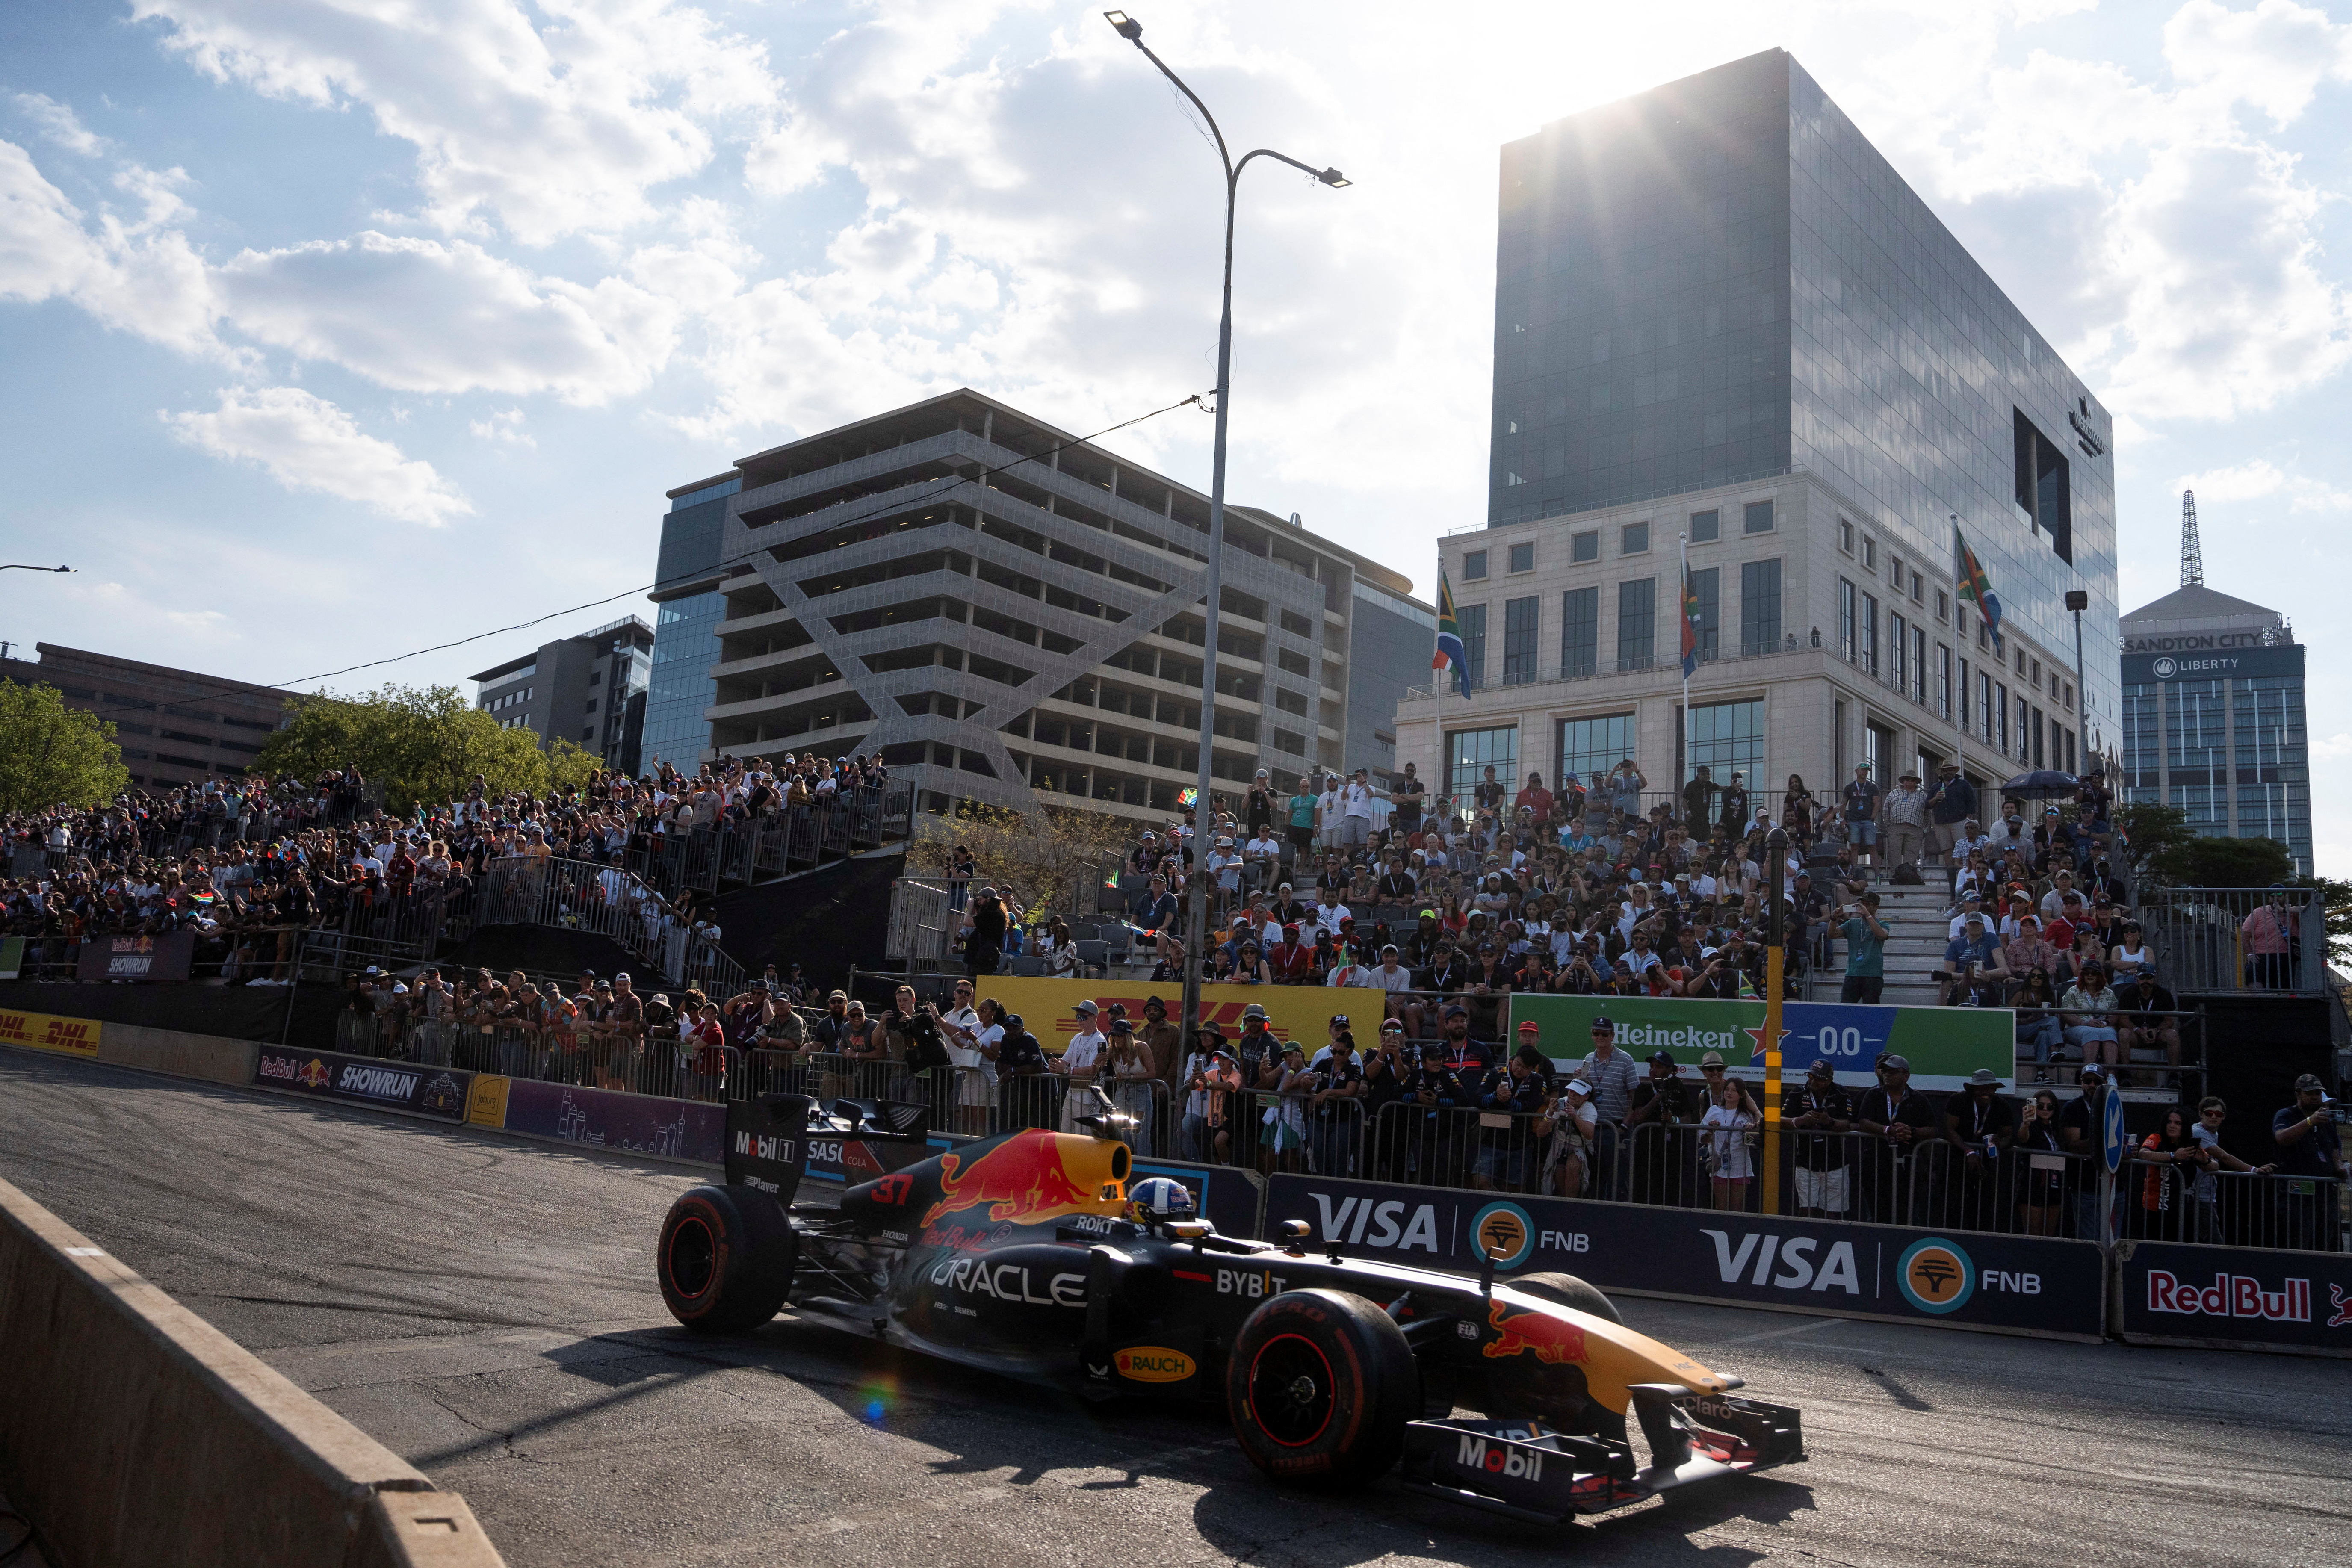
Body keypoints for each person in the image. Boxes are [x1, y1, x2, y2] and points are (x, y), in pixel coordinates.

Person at [1855, 1054, 1935, 1225]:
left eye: (1892, 1072)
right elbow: (1863, 1122)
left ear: (1906, 1076)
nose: (1887, 1075)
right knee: (1877, 1215)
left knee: (1909, 1216)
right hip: (1877, 1165)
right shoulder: (1873, 1095)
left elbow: (1933, 1129)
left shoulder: (1919, 1099)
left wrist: (1912, 1132)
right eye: (1885, 1071)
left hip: (1909, 1167)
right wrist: (1887, 1130)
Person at [2185, 1097, 2274, 1243]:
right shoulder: (2198, 1132)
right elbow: (2224, 1157)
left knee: (2203, 1241)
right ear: (2201, 1114)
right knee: (2214, 1243)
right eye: (2209, 1113)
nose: (2214, 1117)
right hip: (2197, 1198)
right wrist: (2253, 1170)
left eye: (2218, 1114)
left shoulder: (2213, 1134)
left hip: (2206, 1197)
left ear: (2224, 1117)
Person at [2272, 1073, 2345, 1249]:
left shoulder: (2326, 1120)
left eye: (2318, 1094)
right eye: (2310, 1093)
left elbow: (2335, 1150)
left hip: (2326, 1194)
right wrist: (2310, 1122)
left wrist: (2342, 1169)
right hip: (2297, 1193)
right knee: (2299, 1243)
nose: (2315, 1098)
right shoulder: (2287, 1115)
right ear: (2299, 1095)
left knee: (2327, 1245)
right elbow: (2281, 1138)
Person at [1942, 1068, 2015, 1230]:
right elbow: (1949, 1130)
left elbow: (2009, 1136)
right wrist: (1969, 1151)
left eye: (1990, 1087)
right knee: (1953, 1206)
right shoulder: (1958, 1100)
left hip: (1986, 1166)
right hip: (1956, 1161)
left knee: (1983, 1208)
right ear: (1973, 1088)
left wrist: (1999, 1144)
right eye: (1981, 1087)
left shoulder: (2002, 1106)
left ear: (1995, 1089)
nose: (1986, 1092)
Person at [1575, 1015, 1640, 1199]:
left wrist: (1624, 1127)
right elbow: (1583, 1093)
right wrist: (1579, 1080)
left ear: (1612, 1036)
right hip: (1591, 1127)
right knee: (1592, 1175)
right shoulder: (1588, 1058)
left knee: (1617, 1178)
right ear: (1592, 1036)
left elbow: (1634, 1098)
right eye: (1597, 1034)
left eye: (1605, 1034)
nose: (1600, 1038)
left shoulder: (1626, 1060)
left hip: (1615, 1127)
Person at [1626, 1050, 1698, 1206]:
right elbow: (1637, 1117)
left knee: (1671, 1190)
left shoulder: (1679, 1088)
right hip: (1647, 1151)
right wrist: (1658, 1096)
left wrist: (1674, 1119)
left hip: (1673, 1152)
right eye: (1652, 1066)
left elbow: (1689, 1118)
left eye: (1658, 1067)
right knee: (1645, 1190)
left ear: (1670, 1070)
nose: (1653, 1070)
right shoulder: (1643, 1089)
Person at [1784, 1059, 1854, 1217]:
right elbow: (1780, 1120)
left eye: (1819, 1078)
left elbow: (1848, 1124)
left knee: (1834, 1214)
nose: (1813, 1081)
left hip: (1836, 1163)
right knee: (1806, 1210)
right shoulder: (1798, 1092)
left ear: (1829, 1080)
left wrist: (1828, 1121)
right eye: (1811, 1076)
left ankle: (1831, 1240)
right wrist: (1801, 1120)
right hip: (1806, 1163)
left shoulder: (1841, 1093)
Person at [2134, 1107, 2197, 1242]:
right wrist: (2173, 1156)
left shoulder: (2189, 1144)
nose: (2173, 1126)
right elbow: (2143, 1153)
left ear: (2183, 1127)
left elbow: (2213, 1166)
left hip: (2181, 1207)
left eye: (2177, 1123)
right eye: (2169, 1122)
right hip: (2156, 1206)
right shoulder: (2156, 1138)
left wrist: (2204, 1159)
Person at [2014, 1089, 2070, 1235]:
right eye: (2040, 1106)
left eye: (2049, 1107)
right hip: (2033, 1183)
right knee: (2033, 1232)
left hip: (2055, 1184)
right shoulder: (2031, 1126)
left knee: (2049, 1233)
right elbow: (2022, 1138)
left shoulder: (2056, 1128)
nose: (2045, 1110)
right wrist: (2026, 1124)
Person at [1701, 1074, 1757, 1211]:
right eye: (1727, 1090)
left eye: (1734, 1090)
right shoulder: (1714, 1111)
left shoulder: (1747, 1115)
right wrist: (1710, 1131)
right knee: (1721, 1206)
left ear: (1742, 1095)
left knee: (1736, 1207)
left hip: (1740, 1167)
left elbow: (1752, 1143)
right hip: (1719, 1166)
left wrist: (1749, 1131)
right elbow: (1702, 1139)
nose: (1729, 1093)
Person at [2059, 963, 2122, 1083]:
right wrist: (2086, 1022)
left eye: (2093, 973)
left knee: (2110, 1033)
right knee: (2092, 1033)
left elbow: (2116, 1014)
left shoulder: (2108, 993)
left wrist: (2106, 1022)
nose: (2090, 975)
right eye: (2086, 973)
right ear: (2082, 975)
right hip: (2078, 1026)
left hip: (2103, 1026)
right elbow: (2066, 1014)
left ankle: (2111, 1076)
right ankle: (2088, 1075)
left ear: (2099, 975)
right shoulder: (2073, 991)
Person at [1543, 1077, 1600, 1197]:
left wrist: (1575, 1117)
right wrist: (1550, 1114)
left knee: (1573, 1166)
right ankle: (1564, 1206)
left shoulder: (1589, 1108)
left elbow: (1589, 1134)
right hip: (1559, 1148)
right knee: (1559, 1174)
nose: (1572, 1095)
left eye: (1577, 1092)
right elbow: (1541, 1133)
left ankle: (1572, 1204)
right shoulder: (1561, 1103)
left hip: (1580, 1148)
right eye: (1571, 1091)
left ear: (1586, 1096)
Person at [2011, 967, 2064, 1084]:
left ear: (2044, 980)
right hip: (2020, 1029)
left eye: (2039, 977)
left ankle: (2041, 1075)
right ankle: (2054, 1050)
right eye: (2033, 976)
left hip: (2038, 1029)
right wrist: (2026, 1020)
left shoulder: (2048, 996)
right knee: (2053, 1021)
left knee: (2044, 1034)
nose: (2036, 978)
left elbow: (2051, 1014)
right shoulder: (2021, 994)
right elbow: (2007, 1017)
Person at [1924, 760, 1977, 877]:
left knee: (1963, 848)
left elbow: (1972, 802)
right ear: (1941, 773)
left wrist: (1968, 819)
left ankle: (1966, 873)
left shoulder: (1963, 784)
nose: (1948, 772)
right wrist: (1936, 798)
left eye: (1950, 770)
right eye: (1945, 770)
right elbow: (1927, 804)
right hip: (1941, 823)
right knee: (1947, 849)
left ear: (1954, 772)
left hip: (1960, 821)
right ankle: (1951, 875)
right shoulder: (1936, 787)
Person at [1838, 890, 1889, 1004]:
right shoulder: (1853, 923)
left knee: (1871, 1011)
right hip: (1852, 974)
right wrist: (1833, 919)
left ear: (1876, 907)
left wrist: (1869, 916)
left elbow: (1882, 935)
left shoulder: (1883, 923)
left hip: (1873, 975)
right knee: (1845, 1009)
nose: (1864, 907)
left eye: (1868, 904)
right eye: (1862, 904)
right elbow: (1831, 935)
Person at [2240, 887, 2297, 989]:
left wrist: (2282, 910)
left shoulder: (2292, 912)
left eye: (2279, 894)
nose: (2275, 898)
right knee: (2253, 975)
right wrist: (2250, 953)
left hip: (2285, 955)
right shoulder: (2259, 912)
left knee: (2284, 987)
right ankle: (2260, 1002)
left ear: (2286, 896)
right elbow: (2245, 933)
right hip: (2261, 955)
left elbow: (2307, 910)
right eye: (2272, 895)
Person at [1882, 769, 1929, 873]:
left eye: (1912, 780)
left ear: (1916, 782)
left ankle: (1908, 875)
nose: (1909, 782)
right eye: (1906, 780)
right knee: (1894, 853)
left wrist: (1922, 827)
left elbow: (1927, 813)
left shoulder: (1922, 795)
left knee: (1912, 853)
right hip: (1896, 827)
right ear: (1903, 782)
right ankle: (1896, 875)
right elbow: (1886, 810)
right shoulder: (1894, 793)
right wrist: (1889, 826)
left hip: (1915, 828)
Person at [1840, 763, 1882, 876]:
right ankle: (1854, 871)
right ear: (1856, 771)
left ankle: (1877, 873)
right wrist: (1842, 819)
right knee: (1854, 846)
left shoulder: (1872, 787)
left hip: (1868, 821)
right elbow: (1843, 804)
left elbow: (1877, 803)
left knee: (1872, 846)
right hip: (1854, 821)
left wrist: (1873, 817)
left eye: (1866, 770)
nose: (1865, 772)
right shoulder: (1850, 787)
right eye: (1862, 770)